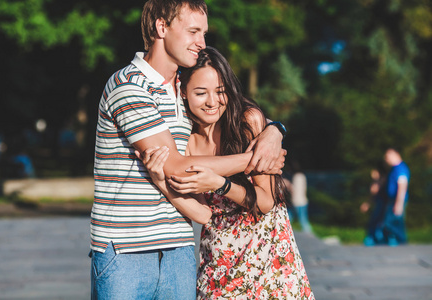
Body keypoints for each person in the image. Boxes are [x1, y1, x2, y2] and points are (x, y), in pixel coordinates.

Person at [89, 1, 287, 299]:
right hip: (126, 252)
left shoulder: (186, 88)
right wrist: (254, 159)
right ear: (161, 27)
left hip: (179, 251)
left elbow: (234, 110)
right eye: (193, 31)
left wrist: (275, 130)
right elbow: (177, 167)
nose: (202, 43)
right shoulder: (129, 86)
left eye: (204, 33)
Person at [138, 47, 314, 299]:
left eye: (220, 91)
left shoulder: (247, 121)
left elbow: (265, 202)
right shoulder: (186, 142)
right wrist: (160, 181)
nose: (212, 102)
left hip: (269, 263)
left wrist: (221, 184)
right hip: (220, 265)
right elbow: (203, 214)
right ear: (183, 92)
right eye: (200, 93)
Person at [383, 148, 410, 246]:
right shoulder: (394, 169)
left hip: (397, 200)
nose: (386, 159)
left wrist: (399, 203)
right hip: (393, 199)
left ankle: (401, 241)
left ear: (396, 154)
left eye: (388, 156)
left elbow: (402, 186)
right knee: (396, 222)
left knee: (391, 222)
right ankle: (400, 241)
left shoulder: (400, 168)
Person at [360, 165, 388, 246]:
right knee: (376, 221)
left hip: (382, 204)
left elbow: (374, 194)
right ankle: (374, 238)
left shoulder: (381, 181)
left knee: (378, 222)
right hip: (379, 204)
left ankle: (376, 238)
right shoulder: (377, 182)